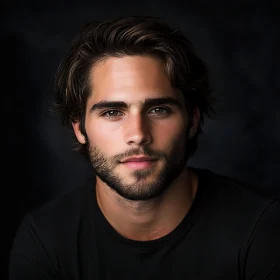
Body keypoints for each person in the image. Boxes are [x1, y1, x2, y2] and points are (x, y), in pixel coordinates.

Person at [9, 16, 279, 280]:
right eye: (113, 112)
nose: (138, 134)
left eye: (159, 109)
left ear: (192, 120)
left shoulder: (262, 228)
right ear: (80, 129)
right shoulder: (44, 240)